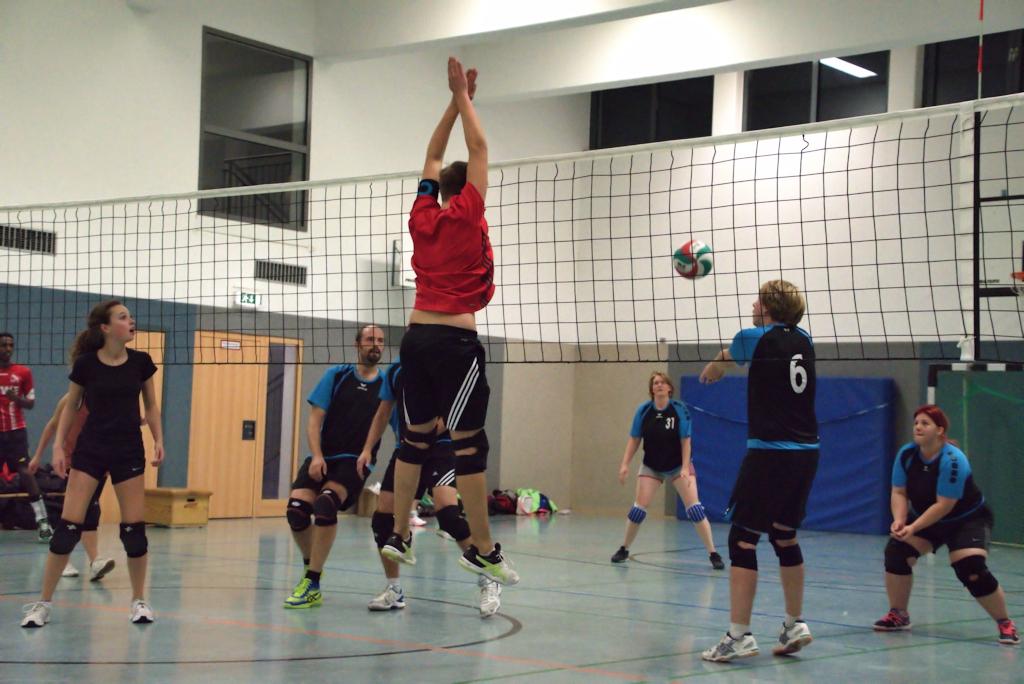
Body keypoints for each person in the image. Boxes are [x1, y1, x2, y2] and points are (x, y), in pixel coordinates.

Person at [381, 58, 517, 586]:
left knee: (413, 441)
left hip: (415, 339)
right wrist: (464, 98)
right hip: (454, 344)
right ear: (469, 194)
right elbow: (477, 149)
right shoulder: (466, 214)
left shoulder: (422, 216)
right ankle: (482, 548)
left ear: (439, 189)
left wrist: (455, 99)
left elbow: (434, 155)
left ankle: (399, 534)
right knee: (469, 447)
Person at [21, 300, 164, 628]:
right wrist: (58, 446)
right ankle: (43, 604)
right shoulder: (86, 365)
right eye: (123, 317)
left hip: (128, 450)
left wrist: (159, 439)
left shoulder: (141, 362)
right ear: (105, 327)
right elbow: (70, 406)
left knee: (134, 532)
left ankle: (139, 601)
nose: (131, 321)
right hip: (91, 451)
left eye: (130, 316)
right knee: (67, 530)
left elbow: (151, 406)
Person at [698, 280, 819, 662]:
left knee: (742, 540)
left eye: (757, 300)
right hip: (807, 453)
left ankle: (738, 635)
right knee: (784, 534)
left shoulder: (754, 337)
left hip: (770, 452)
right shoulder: (805, 340)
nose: (752, 304)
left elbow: (727, 354)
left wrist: (715, 366)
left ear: (768, 307)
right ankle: (795, 623)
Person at [359, 356, 501, 617]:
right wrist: (367, 448)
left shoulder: (442, 362)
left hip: (442, 449)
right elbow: (382, 412)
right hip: (408, 451)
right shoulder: (396, 370)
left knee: (448, 515)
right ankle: (394, 589)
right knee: (382, 518)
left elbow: (452, 409)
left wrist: (430, 430)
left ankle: (488, 579)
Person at [873, 404, 1018, 645]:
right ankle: (898, 614)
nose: (918, 427)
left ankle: (1005, 622)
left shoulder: (953, 460)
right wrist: (899, 520)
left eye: (925, 423)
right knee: (897, 552)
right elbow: (898, 492)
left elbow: (944, 505)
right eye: (916, 423)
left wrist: (913, 527)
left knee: (970, 566)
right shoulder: (907, 455)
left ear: (940, 430)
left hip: (966, 519)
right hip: (927, 517)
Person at [283, 324, 385, 609]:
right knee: (296, 510)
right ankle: (310, 566)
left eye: (380, 340)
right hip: (324, 456)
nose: (375, 344)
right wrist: (316, 456)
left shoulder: (386, 384)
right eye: (370, 339)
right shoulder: (337, 375)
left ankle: (312, 582)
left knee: (325, 505)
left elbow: (395, 424)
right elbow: (314, 421)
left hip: (355, 461)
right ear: (357, 344)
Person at [612, 371, 724, 570]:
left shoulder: (680, 409)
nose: (659, 385)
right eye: (656, 383)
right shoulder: (643, 411)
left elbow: (686, 441)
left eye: (663, 382)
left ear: (670, 388)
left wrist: (685, 468)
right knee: (638, 510)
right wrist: (624, 464)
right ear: (652, 389)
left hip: (677, 465)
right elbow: (634, 439)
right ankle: (624, 548)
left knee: (695, 510)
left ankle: (713, 553)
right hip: (652, 465)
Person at [30, 392, 116, 582]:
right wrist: (37, 456)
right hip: (73, 463)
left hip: (98, 463)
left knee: (91, 510)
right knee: (74, 514)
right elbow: (52, 425)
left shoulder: (106, 398)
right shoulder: (71, 400)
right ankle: (65, 560)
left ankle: (95, 562)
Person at [0, 332, 51, 541]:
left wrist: (16, 399)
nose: (8, 349)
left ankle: (43, 522)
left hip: (16, 434)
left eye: (11, 345)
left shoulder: (23, 372)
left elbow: (30, 404)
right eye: (4, 345)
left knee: (25, 472)